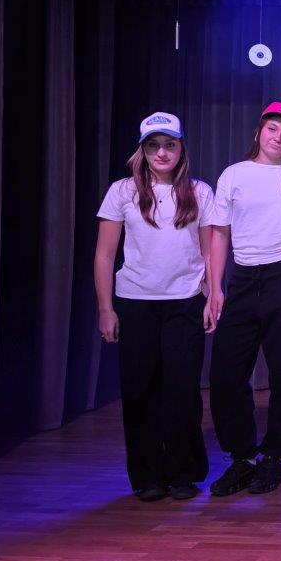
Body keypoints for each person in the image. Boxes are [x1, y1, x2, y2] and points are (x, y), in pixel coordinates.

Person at [94, 112, 214, 502]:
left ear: (181, 148)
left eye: (169, 144)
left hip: (185, 302)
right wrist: (106, 308)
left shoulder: (199, 192)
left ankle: (183, 473)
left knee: (182, 392)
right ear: (142, 150)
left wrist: (212, 295)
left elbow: (209, 251)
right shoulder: (122, 192)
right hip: (136, 303)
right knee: (139, 391)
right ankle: (147, 476)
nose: (161, 153)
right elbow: (104, 254)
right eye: (153, 145)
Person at [207, 102, 281, 497]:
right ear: (258, 131)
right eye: (272, 129)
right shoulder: (233, 174)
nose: (278, 138)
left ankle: (272, 456)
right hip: (242, 279)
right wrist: (215, 287)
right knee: (226, 375)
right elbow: (219, 234)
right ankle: (242, 457)